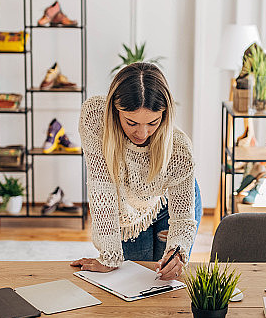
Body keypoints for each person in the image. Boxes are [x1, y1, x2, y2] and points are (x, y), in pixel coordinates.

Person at [71, 62, 202, 281]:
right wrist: (109, 257)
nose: (142, 132)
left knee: (162, 278)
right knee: (127, 278)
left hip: (168, 203)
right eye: (131, 122)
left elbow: (182, 218)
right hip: (125, 208)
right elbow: (101, 187)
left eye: (153, 122)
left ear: (165, 114)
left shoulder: (180, 149)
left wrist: (177, 251)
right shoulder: (95, 118)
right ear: (115, 110)